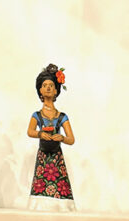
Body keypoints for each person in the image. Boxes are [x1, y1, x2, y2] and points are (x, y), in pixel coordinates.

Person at [27, 63, 75, 211]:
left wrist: (61, 138)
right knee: (41, 183)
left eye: (51, 85)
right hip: (43, 156)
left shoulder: (61, 116)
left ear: (56, 90)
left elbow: (71, 139)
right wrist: (41, 134)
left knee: (60, 183)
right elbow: (30, 131)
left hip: (56, 158)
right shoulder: (37, 115)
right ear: (40, 90)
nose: (48, 87)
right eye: (45, 85)